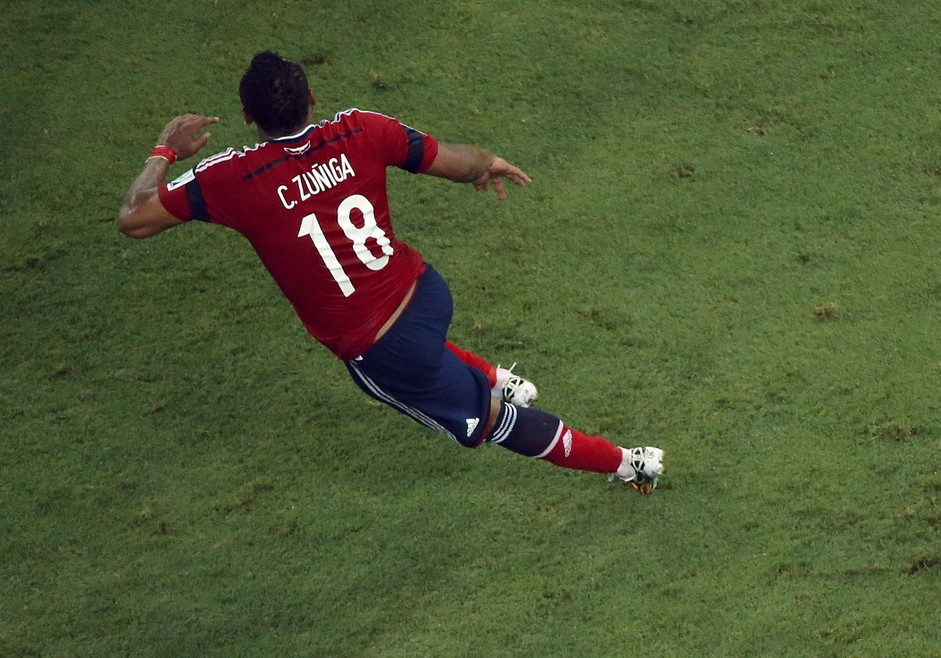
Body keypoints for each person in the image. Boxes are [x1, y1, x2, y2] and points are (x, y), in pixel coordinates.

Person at [118, 52, 663, 492]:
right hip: (425, 292)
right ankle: (499, 378)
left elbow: (134, 221)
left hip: (383, 346)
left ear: (247, 116)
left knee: (493, 424)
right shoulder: (362, 129)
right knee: (427, 345)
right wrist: (488, 162)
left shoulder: (230, 178)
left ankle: (627, 463)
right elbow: (462, 162)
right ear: (312, 99)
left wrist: (165, 149)